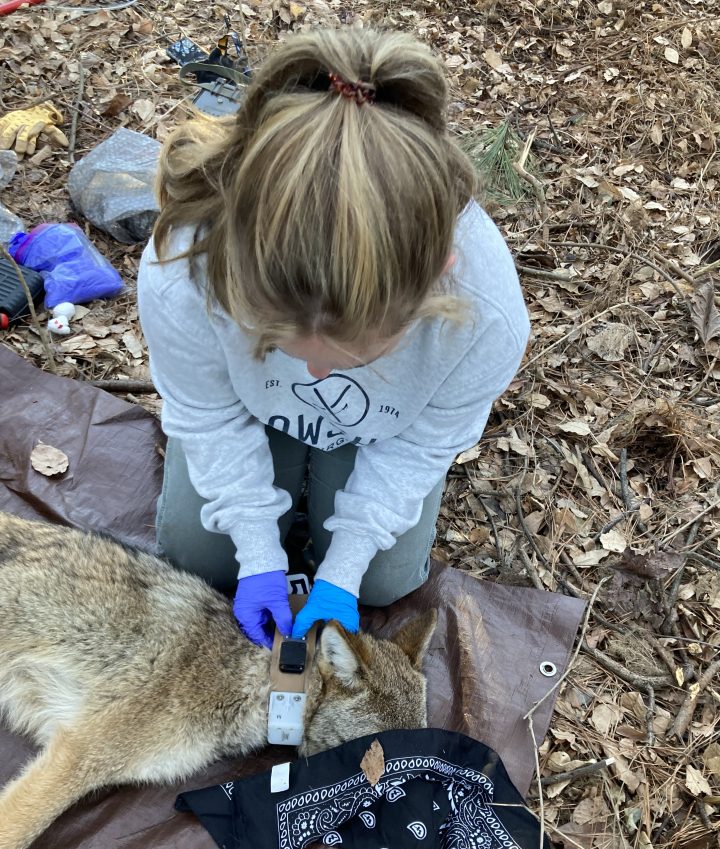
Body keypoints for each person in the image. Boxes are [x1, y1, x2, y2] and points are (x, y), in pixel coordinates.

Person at [137, 27, 530, 649]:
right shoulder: (185, 266)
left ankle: (327, 508)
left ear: (437, 282)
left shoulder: (485, 316)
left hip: (384, 429)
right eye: (283, 344)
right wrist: (260, 552)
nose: (317, 376)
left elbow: (420, 448)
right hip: (249, 409)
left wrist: (344, 573)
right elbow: (207, 416)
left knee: (381, 582)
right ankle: (285, 492)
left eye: (357, 353)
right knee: (198, 560)